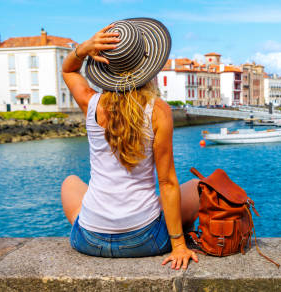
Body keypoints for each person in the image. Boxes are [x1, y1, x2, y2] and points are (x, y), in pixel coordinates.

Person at [60, 18, 199, 270]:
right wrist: (178, 245)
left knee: (70, 182)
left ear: (104, 66)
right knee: (198, 186)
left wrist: (82, 49)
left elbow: (69, 70)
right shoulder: (158, 111)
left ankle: (98, 224)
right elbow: (166, 182)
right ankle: (180, 233)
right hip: (145, 240)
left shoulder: (90, 103)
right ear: (147, 66)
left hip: (88, 240)